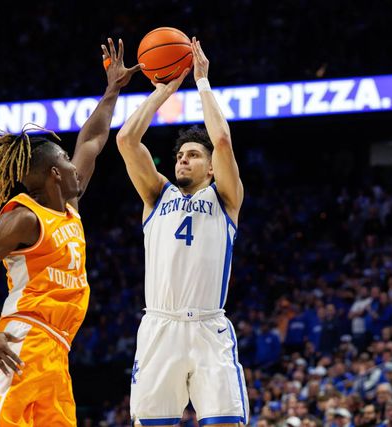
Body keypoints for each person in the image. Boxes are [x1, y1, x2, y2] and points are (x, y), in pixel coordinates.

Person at [0, 39, 141, 426]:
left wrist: (112, 91)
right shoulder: (24, 218)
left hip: (58, 350)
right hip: (21, 341)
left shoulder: (69, 206)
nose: (74, 166)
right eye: (66, 160)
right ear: (54, 174)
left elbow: (92, 140)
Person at [116, 37, 248, 426]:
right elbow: (126, 140)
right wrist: (164, 90)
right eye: (179, 155)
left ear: (211, 167)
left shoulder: (225, 198)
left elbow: (221, 140)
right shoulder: (157, 194)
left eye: (192, 155)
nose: (182, 160)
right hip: (160, 326)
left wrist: (201, 81)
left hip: (209, 327)